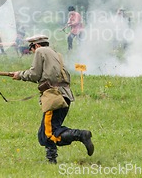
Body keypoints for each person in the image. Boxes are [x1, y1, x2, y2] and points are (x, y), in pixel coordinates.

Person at [12, 35, 94, 164]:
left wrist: (20, 75)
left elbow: (34, 74)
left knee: (49, 134)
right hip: (63, 95)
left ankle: (81, 135)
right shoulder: (56, 54)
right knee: (44, 132)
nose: (32, 51)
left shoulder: (40, 51)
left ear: (37, 45)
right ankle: (51, 161)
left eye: (32, 48)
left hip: (54, 96)